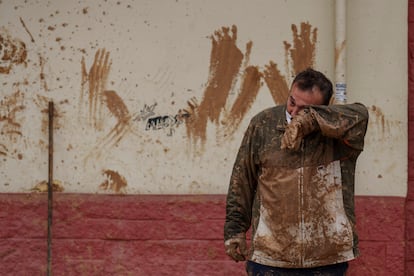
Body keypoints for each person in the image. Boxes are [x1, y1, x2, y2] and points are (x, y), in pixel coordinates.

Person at [224, 68, 369, 275]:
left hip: (326, 257)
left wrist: (313, 120)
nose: (293, 113)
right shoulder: (263, 124)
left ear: (322, 109)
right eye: (292, 102)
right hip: (270, 256)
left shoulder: (338, 136)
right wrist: (234, 230)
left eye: (305, 109)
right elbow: (242, 179)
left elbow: (361, 115)